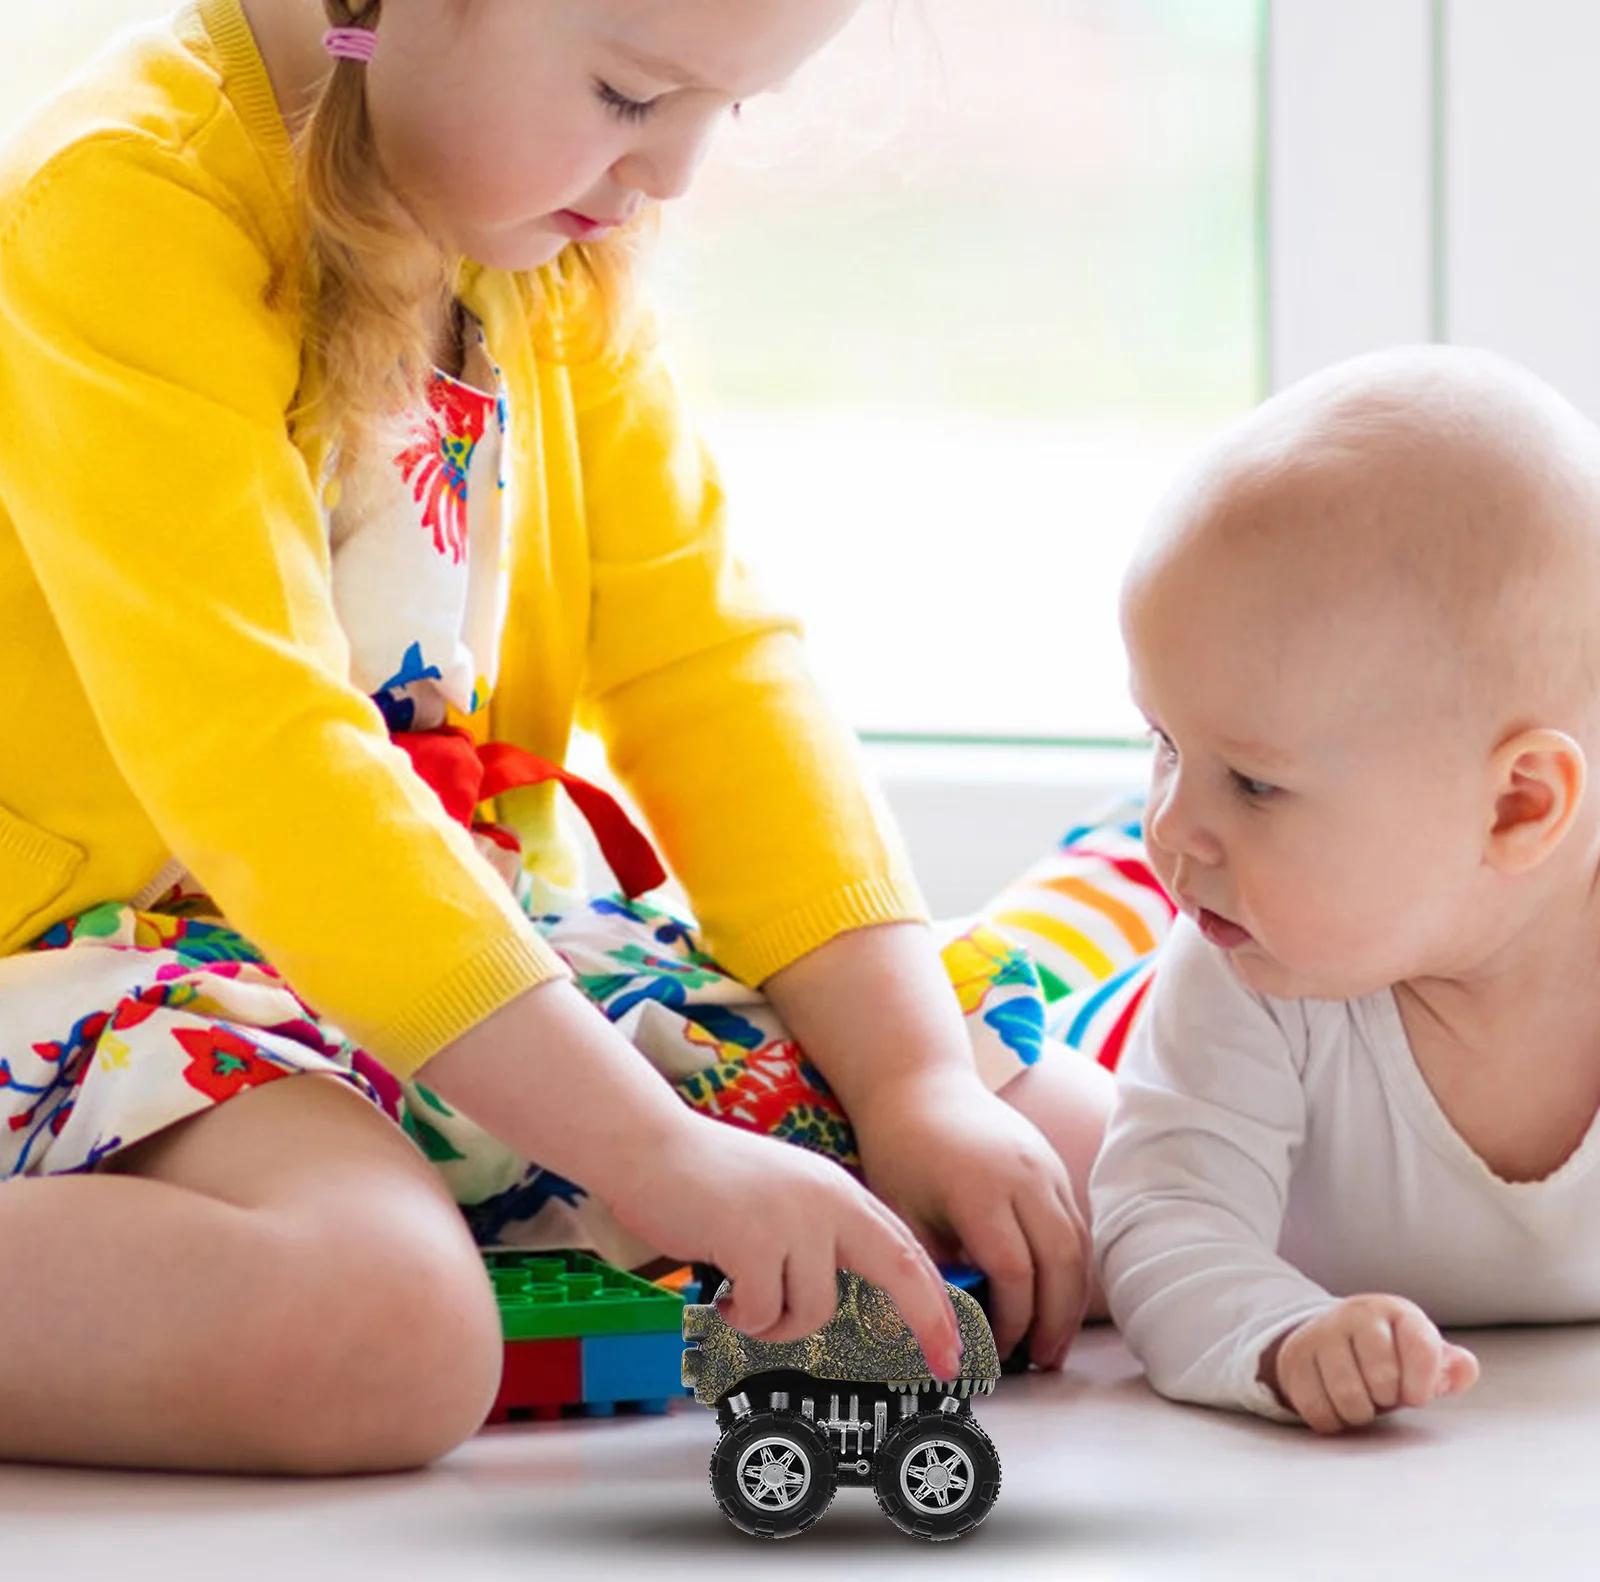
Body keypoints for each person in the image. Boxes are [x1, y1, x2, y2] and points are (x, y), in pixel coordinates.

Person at [0, 0, 1117, 1474]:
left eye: (734, 110)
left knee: (1082, 1145)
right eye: (629, 92)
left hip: (464, 948)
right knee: (379, 1331)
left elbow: (708, 664)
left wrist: (914, 1082)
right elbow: (264, 761)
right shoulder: (122, 203)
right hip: (120, 961)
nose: (676, 176)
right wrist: (656, 1155)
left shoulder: (543, 232)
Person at [1090, 343, 1600, 1434]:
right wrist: (1275, 1332)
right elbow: (1162, 1216)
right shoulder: (1244, 961)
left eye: (1255, 782)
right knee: (1033, 1142)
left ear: (1516, 807)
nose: (1172, 823)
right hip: (1106, 1026)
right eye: (1162, 743)